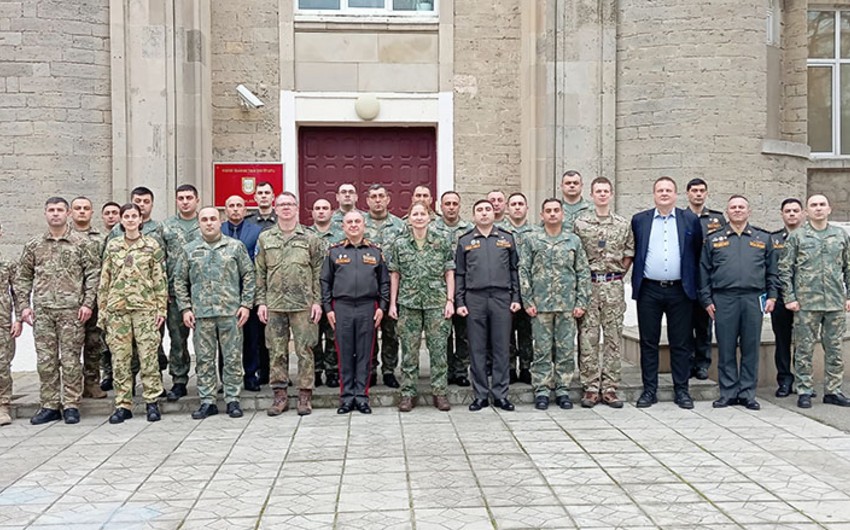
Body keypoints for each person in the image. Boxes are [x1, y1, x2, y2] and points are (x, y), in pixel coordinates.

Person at [16, 197, 99, 425]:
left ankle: (71, 404)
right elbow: (23, 277)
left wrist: (87, 303)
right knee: (46, 361)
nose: (55, 214)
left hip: (72, 311)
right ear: (45, 214)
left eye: (60, 210)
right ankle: (49, 404)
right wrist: (24, 306)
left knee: (71, 360)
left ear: (68, 213)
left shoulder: (81, 243)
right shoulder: (34, 245)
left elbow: (93, 275)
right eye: (51, 210)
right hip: (43, 311)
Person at [176, 206, 255, 419]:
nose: (209, 223)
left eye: (213, 219)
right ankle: (207, 401)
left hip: (230, 312)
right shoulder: (189, 249)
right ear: (199, 223)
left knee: (231, 358)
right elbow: (180, 281)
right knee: (204, 359)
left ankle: (232, 399)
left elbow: (249, 275)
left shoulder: (235, 247)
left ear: (220, 222)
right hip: (201, 314)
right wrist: (185, 308)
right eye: (204, 219)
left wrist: (246, 304)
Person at [700, 195, 778, 410]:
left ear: (748, 211)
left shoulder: (763, 238)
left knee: (750, 347)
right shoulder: (714, 239)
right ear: (727, 212)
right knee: (725, 348)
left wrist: (772, 296)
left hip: (753, 299)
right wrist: (706, 300)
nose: (737, 210)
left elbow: (772, 271)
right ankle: (728, 392)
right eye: (733, 207)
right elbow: (704, 272)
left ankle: (747, 393)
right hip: (724, 299)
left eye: (741, 207)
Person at [630, 177, 702, 409]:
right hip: (649, 289)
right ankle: (649, 390)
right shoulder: (640, 220)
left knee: (680, 342)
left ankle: (681, 390)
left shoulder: (689, 219)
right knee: (648, 342)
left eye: (668, 190)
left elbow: (697, 252)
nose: (664, 194)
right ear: (653, 194)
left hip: (680, 290)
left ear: (675, 194)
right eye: (660, 190)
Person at [778, 194, 850, 409]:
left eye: (822, 205)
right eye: (813, 205)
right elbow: (785, 269)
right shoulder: (798, 237)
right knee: (804, 349)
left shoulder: (840, 235)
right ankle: (805, 389)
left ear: (829, 209)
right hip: (806, 303)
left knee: (835, 348)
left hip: (835, 303)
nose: (818, 209)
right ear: (806, 212)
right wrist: (789, 298)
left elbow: (849, 267)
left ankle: (833, 390)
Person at [98, 203, 167, 424]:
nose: (129, 220)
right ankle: (123, 404)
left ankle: (152, 402)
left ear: (140, 220)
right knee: (120, 358)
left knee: (148, 357)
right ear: (120, 220)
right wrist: (103, 313)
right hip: (117, 310)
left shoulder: (151, 245)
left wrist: (161, 309)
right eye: (126, 216)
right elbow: (105, 279)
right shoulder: (113, 246)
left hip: (145, 309)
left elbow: (159, 279)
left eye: (133, 216)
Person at [256, 192, 323, 416]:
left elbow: (318, 273)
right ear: (275, 209)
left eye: (290, 204)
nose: (286, 208)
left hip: (303, 304)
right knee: (276, 351)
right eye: (282, 204)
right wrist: (261, 302)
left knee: (305, 350)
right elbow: (260, 272)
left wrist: (317, 301)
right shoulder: (266, 238)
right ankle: (280, 395)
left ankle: (305, 395)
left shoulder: (310, 238)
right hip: (274, 304)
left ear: (296, 208)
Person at [520, 199, 590, 410]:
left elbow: (582, 272)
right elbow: (523, 270)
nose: (552, 214)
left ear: (562, 214)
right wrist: (527, 300)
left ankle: (562, 389)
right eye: (548, 211)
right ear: (541, 215)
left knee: (566, 349)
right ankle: (541, 389)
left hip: (567, 305)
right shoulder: (532, 240)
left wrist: (581, 301)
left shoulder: (573, 240)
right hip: (540, 306)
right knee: (540, 349)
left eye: (556, 210)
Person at [388, 201, 455, 412]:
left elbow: (449, 272)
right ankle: (408, 393)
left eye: (422, 214)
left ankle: (440, 392)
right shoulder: (399, 244)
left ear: (429, 217)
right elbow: (395, 274)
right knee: (409, 350)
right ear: (409, 218)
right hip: (408, 303)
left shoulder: (442, 241)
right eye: (414, 214)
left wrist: (450, 300)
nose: (418, 217)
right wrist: (392, 303)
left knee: (438, 350)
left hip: (436, 302)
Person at [574, 177, 634, 408]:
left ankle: (609, 387)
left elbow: (629, 252)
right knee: (588, 338)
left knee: (612, 338)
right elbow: (576, 253)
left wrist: (618, 273)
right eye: (598, 191)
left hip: (613, 285)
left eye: (605, 191)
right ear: (592, 194)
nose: (602, 194)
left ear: (611, 194)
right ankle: (590, 386)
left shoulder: (622, 223)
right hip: (588, 284)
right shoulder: (581, 223)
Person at [321, 211, 390, 415]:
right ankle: (346, 397)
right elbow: (325, 282)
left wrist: (382, 307)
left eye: (357, 221)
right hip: (341, 307)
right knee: (344, 354)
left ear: (364, 225)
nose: (353, 225)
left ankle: (361, 396)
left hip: (367, 307)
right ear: (343, 226)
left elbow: (384, 282)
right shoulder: (334, 252)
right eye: (349, 222)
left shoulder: (375, 252)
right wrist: (328, 309)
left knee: (364, 354)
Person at [456, 199, 521, 412]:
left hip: (501, 297)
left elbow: (514, 271)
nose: (484, 213)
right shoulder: (465, 241)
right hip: (475, 298)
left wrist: (515, 298)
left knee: (502, 347)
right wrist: (460, 300)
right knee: (477, 348)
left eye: (487, 210)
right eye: (479, 210)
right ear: (473, 216)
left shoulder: (507, 239)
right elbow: (460, 273)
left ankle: (501, 394)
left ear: (494, 214)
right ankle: (481, 395)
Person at [161, 184, 201, 402]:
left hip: (203, 291)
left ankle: (207, 379)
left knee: (205, 340)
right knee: (177, 339)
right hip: (175, 293)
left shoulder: (205, 222)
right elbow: (159, 260)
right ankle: (178, 380)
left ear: (197, 200)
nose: (185, 201)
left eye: (189, 198)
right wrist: (164, 289)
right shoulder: (166, 227)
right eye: (180, 198)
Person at [363, 184, 405, 388]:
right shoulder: (358, 223)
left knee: (391, 331)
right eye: (373, 196)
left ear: (388, 199)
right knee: (369, 330)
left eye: (381, 196)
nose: (377, 200)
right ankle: (370, 370)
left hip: (393, 285)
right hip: (366, 286)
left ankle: (389, 370)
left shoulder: (400, 226)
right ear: (367, 200)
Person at [221, 195, 265, 391]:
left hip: (249, 291)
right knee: (225, 338)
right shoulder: (219, 230)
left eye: (239, 205)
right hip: (223, 293)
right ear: (226, 210)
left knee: (251, 337)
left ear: (245, 209)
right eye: (231, 206)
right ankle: (226, 378)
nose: (236, 209)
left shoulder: (256, 231)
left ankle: (250, 375)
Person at [686, 178, 727, 380]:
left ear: (707, 193)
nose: (698, 194)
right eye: (694, 191)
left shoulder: (717, 219)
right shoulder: (681, 217)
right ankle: (687, 362)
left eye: (702, 190)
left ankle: (702, 363)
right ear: (688, 194)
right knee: (684, 325)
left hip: (708, 279)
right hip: (686, 278)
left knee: (704, 325)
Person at [70, 196, 108, 400]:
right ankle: (72, 386)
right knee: (71, 346)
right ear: (71, 212)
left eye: (86, 208)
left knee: (94, 343)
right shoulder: (63, 237)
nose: (82, 211)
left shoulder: (101, 239)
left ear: (92, 212)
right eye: (78, 208)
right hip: (70, 301)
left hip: (96, 299)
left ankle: (92, 382)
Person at [433, 191, 472, 387]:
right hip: (440, 288)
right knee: (444, 333)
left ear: (459, 206)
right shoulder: (432, 229)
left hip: (464, 287)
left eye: (454, 203)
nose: (450, 207)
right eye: (447, 203)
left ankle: (461, 370)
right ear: (440, 206)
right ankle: (447, 369)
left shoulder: (469, 230)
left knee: (464, 333)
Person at [770, 198, 805, 398]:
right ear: (782, 214)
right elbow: (771, 271)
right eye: (787, 211)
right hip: (781, 298)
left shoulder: (811, 238)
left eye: (795, 210)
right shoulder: (773, 239)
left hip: (806, 298)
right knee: (782, 341)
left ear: (803, 213)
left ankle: (803, 381)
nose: (791, 214)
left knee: (804, 342)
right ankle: (784, 380)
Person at [244, 181, 276, 386]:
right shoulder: (249, 223)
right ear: (255, 198)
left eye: (267, 193)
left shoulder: (280, 221)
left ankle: (272, 372)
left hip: (275, 286)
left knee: (274, 334)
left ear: (273, 196)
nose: (263, 196)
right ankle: (255, 372)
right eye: (260, 193)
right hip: (254, 286)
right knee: (254, 334)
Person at [307, 198, 342, 389]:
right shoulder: (304, 235)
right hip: (310, 294)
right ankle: (315, 371)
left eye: (325, 208)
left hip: (335, 292)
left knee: (332, 335)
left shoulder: (341, 235)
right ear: (312, 213)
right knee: (312, 336)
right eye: (317, 208)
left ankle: (332, 371)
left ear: (332, 212)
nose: (321, 211)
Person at [505, 192, 534, 384]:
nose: (517, 207)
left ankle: (526, 367)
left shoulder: (536, 233)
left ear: (526, 208)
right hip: (506, 289)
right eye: (513, 204)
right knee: (506, 331)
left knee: (527, 331)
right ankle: (509, 368)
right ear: (507, 209)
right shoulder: (500, 233)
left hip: (530, 289)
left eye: (520, 204)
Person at [0, 222, 22, 426]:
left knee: (2, 365)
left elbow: (17, 293)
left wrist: (18, 319)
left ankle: (2, 405)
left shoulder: (7, 263)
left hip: (3, 322)